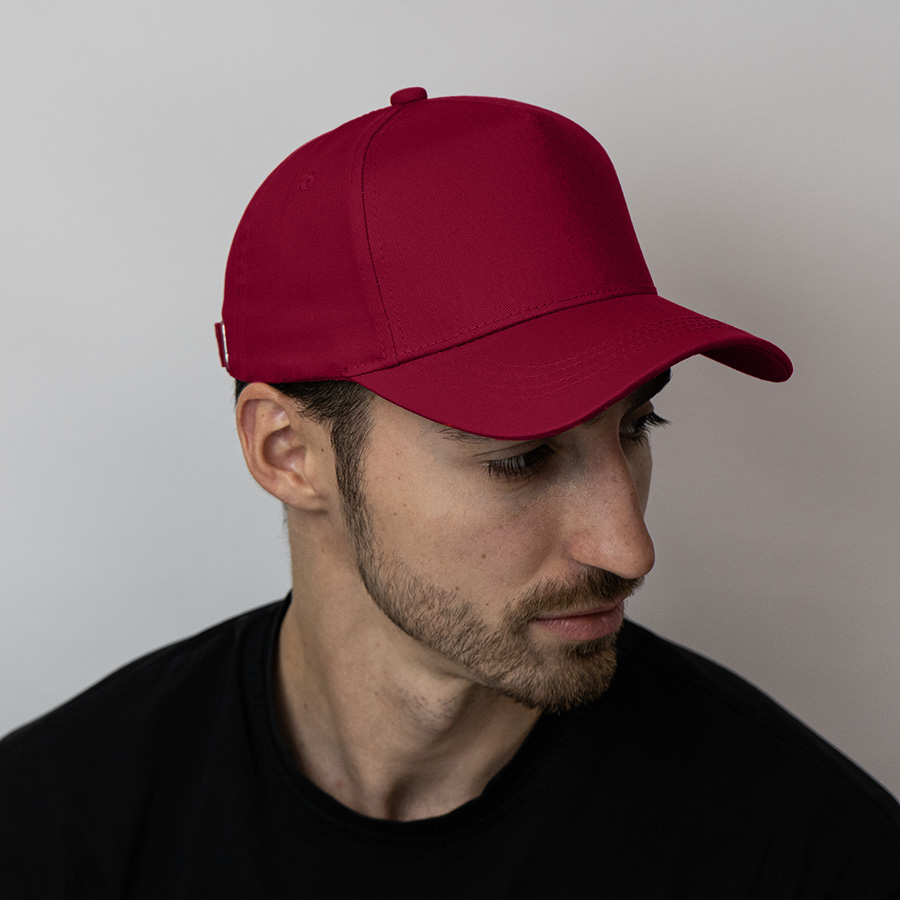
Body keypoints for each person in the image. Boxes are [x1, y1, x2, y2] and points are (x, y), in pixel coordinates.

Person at [2, 86, 898, 898]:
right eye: (522, 458)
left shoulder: (809, 852)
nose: (630, 548)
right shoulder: (53, 832)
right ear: (288, 453)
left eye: (636, 426)